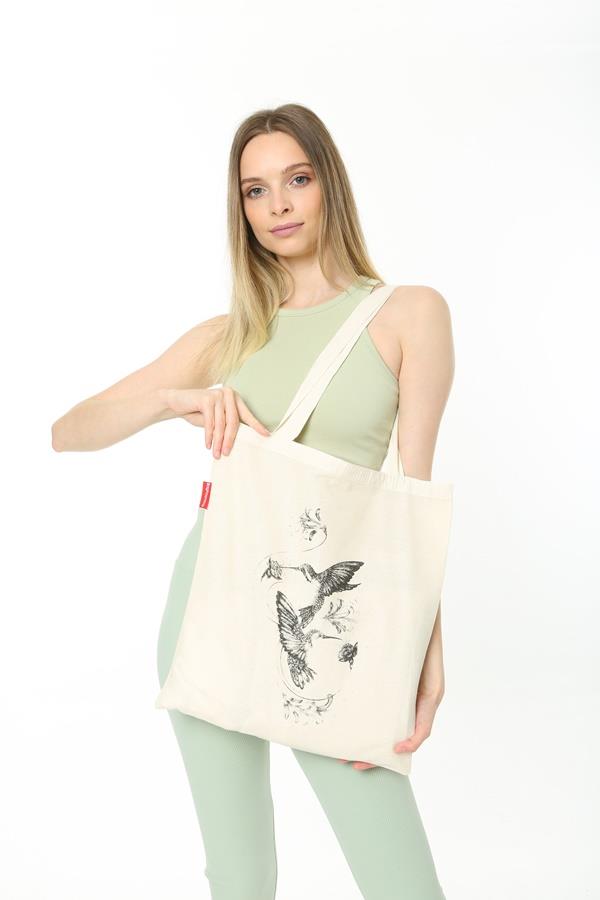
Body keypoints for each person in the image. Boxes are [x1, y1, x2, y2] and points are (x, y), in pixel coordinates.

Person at [52, 103, 454, 900]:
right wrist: (174, 401)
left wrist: (425, 649)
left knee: (399, 878)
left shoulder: (410, 313)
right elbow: (69, 431)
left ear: (329, 184)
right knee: (240, 875)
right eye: (255, 190)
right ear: (240, 207)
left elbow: (413, 504)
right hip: (209, 605)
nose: (278, 206)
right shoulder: (227, 334)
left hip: (331, 622)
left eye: (297, 179)